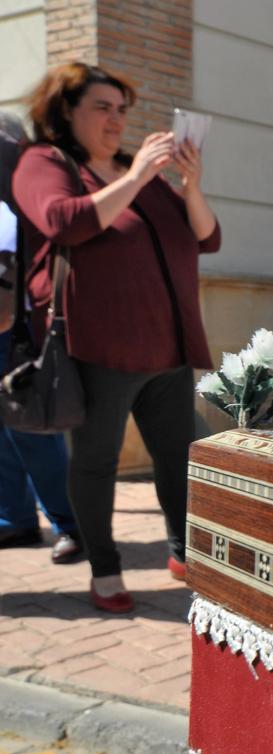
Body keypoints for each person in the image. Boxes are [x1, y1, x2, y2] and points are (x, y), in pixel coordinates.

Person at [12, 62, 221, 613]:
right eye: (101, 108)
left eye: (121, 109)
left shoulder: (136, 170)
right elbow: (64, 221)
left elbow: (205, 236)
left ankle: (184, 551)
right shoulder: (45, 163)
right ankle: (104, 569)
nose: (116, 120)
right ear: (66, 113)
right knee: (97, 463)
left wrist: (190, 185)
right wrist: (133, 181)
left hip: (168, 347)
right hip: (98, 348)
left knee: (179, 458)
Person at [0, 111, 82, 564]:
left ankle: (70, 524)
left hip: (19, 330)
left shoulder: (24, 185)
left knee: (33, 429)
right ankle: (14, 519)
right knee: (4, 434)